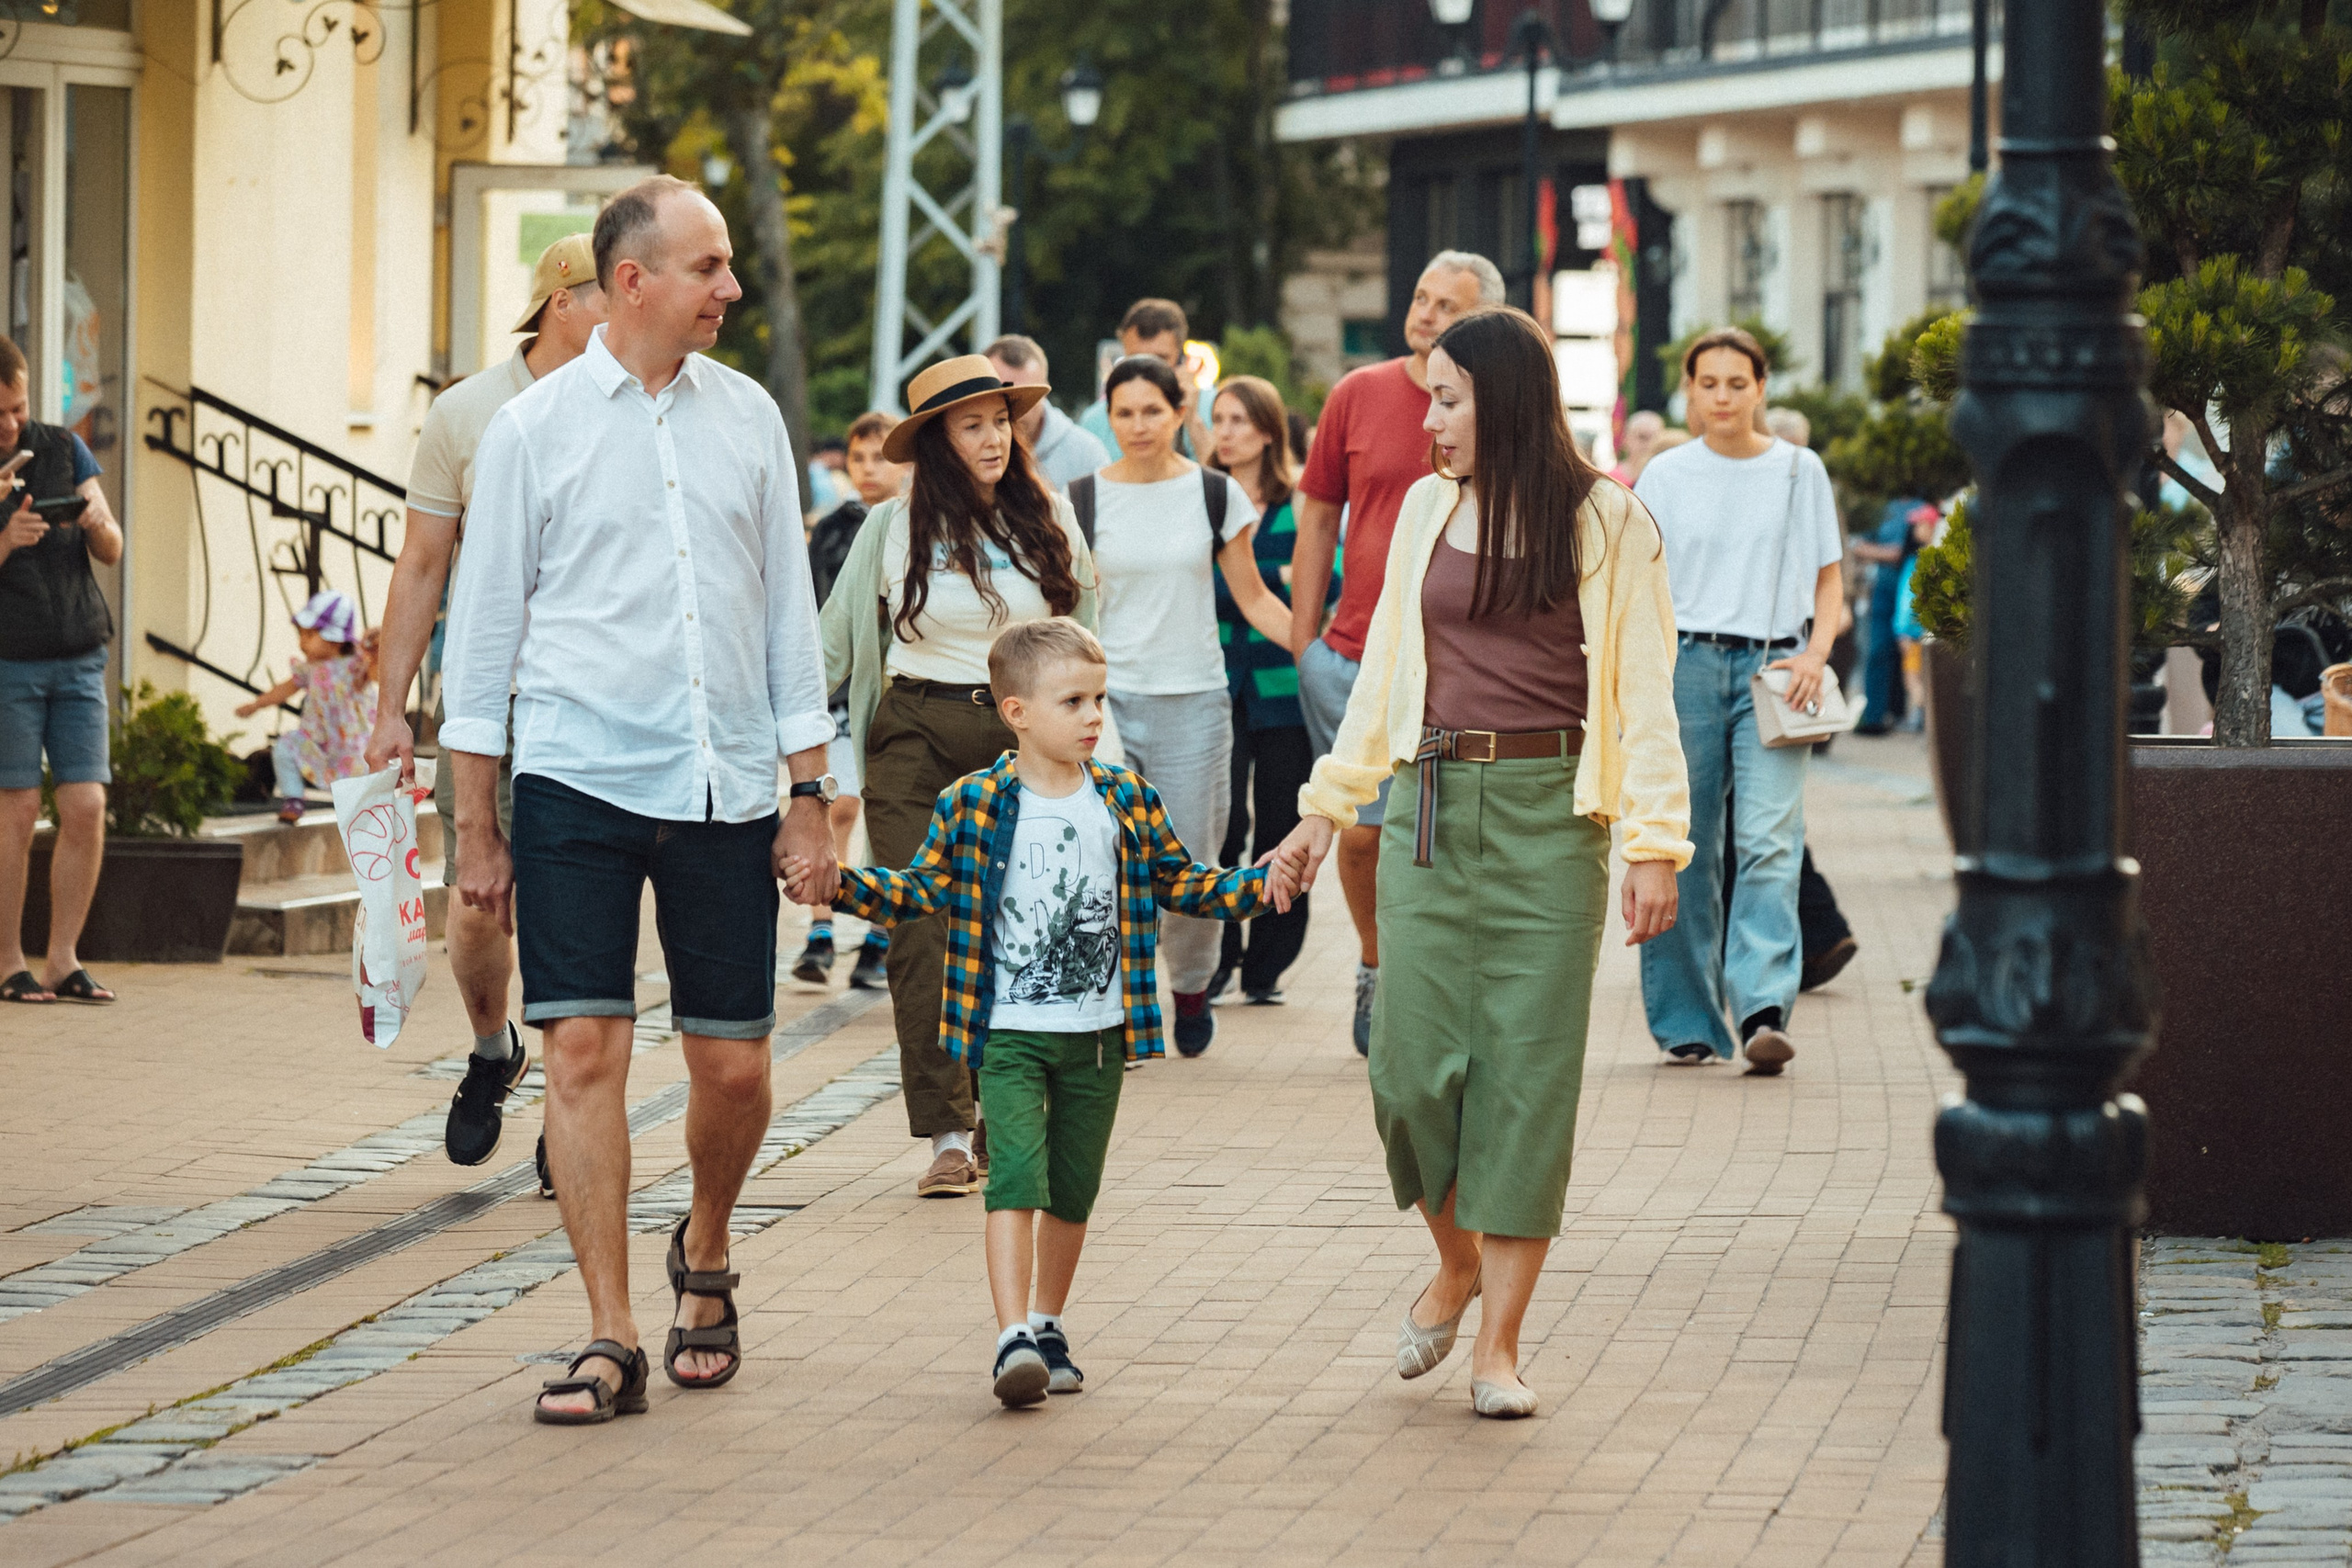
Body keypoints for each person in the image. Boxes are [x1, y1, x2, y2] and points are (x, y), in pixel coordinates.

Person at [442, 175, 839, 1423]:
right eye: (708, 267)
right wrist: (476, 825)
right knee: (582, 1048)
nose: (731, 287)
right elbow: (482, 640)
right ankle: (608, 1329)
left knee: (734, 1066)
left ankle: (705, 1244)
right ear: (632, 280)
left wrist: (810, 792)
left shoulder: (750, 418)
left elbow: (786, 618)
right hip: (575, 777)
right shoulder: (531, 431)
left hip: (724, 779)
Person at [1268, 306, 1688, 1418]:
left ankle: (1498, 1349)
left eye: (1447, 399)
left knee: (1526, 1082)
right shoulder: (1424, 507)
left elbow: (1644, 691)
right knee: (1406, 1075)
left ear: (1501, 400)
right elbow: (1382, 677)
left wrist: (1654, 845)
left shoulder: (1606, 519)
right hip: (1429, 809)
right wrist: (1323, 810)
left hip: (1554, 818)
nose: (1429, 420)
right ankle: (1454, 1261)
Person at [791, 618, 1292, 1406]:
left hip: (1098, 1036)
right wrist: (843, 886)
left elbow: (1183, 881)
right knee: (1016, 1180)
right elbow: (922, 890)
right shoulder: (974, 802)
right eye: (1073, 701)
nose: (1093, 716)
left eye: (1099, 699)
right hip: (1010, 1034)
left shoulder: (1125, 798)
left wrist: (1260, 885)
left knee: (1070, 1190)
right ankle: (1011, 1336)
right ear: (1016, 712)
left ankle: (1048, 1323)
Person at [820, 354, 1099, 1200]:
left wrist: (1080, 729)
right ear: (936, 441)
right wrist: (782, 747)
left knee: (1021, 928)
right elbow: (830, 644)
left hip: (1022, 740)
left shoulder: (1047, 512)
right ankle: (945, 1129)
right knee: (920, 923)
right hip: (913, 732)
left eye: (1001, 421)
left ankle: (997, 1112)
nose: (993, 438)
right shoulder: (890, 526)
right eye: (972, 425)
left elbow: (1084, 627)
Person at [367, 231, 607, 1169]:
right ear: (562, 301)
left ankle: (568, 1110)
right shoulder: (468, 413)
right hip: (488, 700)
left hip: (590, 703)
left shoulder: (635, 403)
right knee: (476, 909)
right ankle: (491, 1047)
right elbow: (422, 563)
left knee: (571, 912)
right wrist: (391, 708)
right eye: (610, 294)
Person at [1288, 249, 1502, 1055]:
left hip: (1460, 660)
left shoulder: (1500, 407)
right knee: (1363, 831)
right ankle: (1376, 965)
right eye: (1420, 297)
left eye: (1448, 305)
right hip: (1353, 656)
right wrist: (1305, 642)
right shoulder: (1358, 392)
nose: (1426, 314)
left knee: (1449, 837)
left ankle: (1440, 983)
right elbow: (1317, 517)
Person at [1634, 326, 1844, 1075]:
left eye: (1737, 382)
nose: (1722, 397)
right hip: (1683, 666)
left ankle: (1762, 1009)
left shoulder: (1799, 469)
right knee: (1684, 846)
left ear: (1761, 388)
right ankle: (1687, 1021)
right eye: (1708, 383)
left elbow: (1829, 578)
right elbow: (1637, 581)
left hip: (1774, 670)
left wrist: (1815, 653)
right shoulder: (1664, 474)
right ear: (1689, 390)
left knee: (1769, 841)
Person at [1077, 355, 1292, 1057]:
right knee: (1103, 859)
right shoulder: (1080, 499)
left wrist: (1323, 648)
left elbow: (1255, 597)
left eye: (1152, 410)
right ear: (1109, 418)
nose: (1138, 425)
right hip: (1104, 702)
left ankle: (1193, 985)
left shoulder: (1213, 493)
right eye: (1124, 413)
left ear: (1178, 412)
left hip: (1195, 701)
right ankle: (1116, 1006)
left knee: (1191, 859)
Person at [0, 333, 124, 1006]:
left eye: (17, 408)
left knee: (86, 805)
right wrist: (5, 540)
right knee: (16, 811)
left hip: (78, 650)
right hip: (9, 661)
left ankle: (63, 959)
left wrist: (98, 523)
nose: (11, 424)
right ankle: (7, 962)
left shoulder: (64, 448)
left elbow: (113, 549)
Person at [1205, 374, 1322, 1006]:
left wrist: (1249, 581)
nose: (1225, 432)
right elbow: (1201, 587)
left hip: (1284, 687)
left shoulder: (1298, 501)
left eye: (1239, 420)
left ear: (1269, 431)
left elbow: (1325, 582)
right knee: (1222, 825)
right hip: (1216, 682)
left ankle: (1267, 964)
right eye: (1218, 419)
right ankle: (1218, 956)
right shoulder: (1201, 496)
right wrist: (1272, 575)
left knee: (1282, 823)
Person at [794, 411, 901, 990]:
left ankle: (880, 932)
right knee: (835, 805)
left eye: (880, 457)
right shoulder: (832, 529)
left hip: (894, 689)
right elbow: (816, 608)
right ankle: (821, 926)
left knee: (885, 810)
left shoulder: (914, 523)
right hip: (838, 693)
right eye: (857, 457)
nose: (867, 469)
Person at [236, 591, 377, 823]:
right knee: (285, 748)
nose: (302, 642)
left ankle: (366, 815)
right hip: (316, 739)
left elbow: (377, 672)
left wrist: (376, 647)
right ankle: (293, 798)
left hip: (351, 744)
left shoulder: (354, 666)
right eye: (301, 634)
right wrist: (257, 704)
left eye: (310, 635)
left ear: (336, 639)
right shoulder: (310, 669)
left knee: (357, 789)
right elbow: (285, 689)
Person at [1077, 299, 1215, 460]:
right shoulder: (1095, 420)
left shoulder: (1214, 407)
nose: (1147, 371)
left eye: (1160, 359)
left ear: (1180, 359)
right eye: (1137, 359)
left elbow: (1222, 474)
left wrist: (1192, 420)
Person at [985, 334, 1109, 491]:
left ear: (1046, 391)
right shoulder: (965, 451)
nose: (1015, 408)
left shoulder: (1086, 454)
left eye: (1029, 395)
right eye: (1003, 396)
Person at [1611, 409, 1668, 487]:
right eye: (1642, 437)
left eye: (1656, 439)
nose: (1649, 445)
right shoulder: (1609, 480)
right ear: (1625, 439)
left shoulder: (1667, 480)